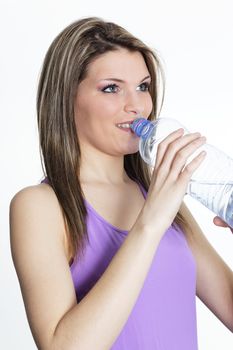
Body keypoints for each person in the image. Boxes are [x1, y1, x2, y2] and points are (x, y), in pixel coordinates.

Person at [10, 17, 233, 350]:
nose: (137, 106)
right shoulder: (39, 206)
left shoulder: (162, 199)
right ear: (67, 98)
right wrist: (149, 224)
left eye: (143, 86)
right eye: (112, 88)